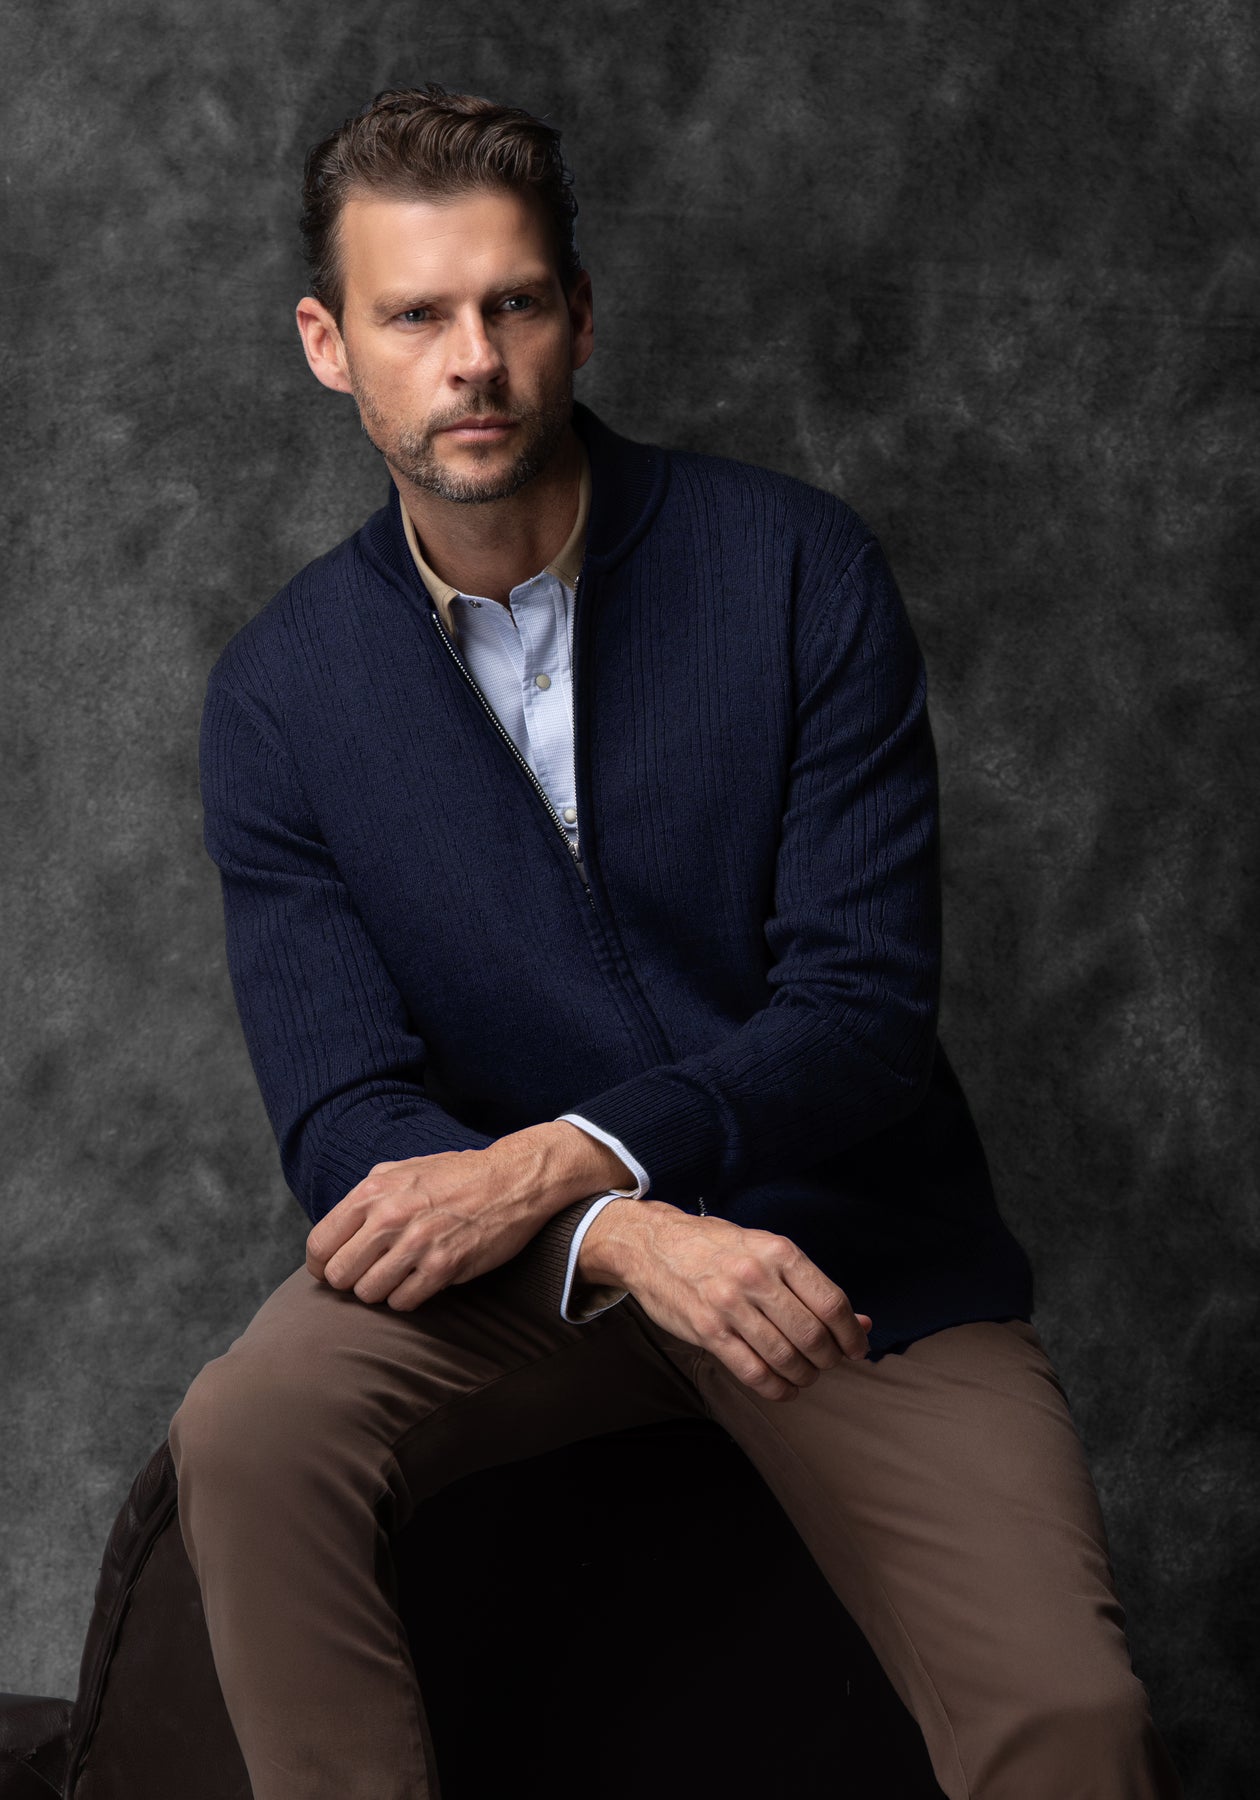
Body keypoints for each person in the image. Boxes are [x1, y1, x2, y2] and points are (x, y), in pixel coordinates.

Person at [168, 83, 1181, 1800]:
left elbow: (858, 1012)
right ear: (330, 346)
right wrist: (616, 1231)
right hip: (517, 1273)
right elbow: (343, 1116)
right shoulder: (280, 695)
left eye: (513, 304)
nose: (473, 362)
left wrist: (567, 1157)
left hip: (845, 1243)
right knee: (248, 1430)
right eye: (416, 316)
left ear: (580, 315)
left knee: (1071, 1720)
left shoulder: (794, 569)